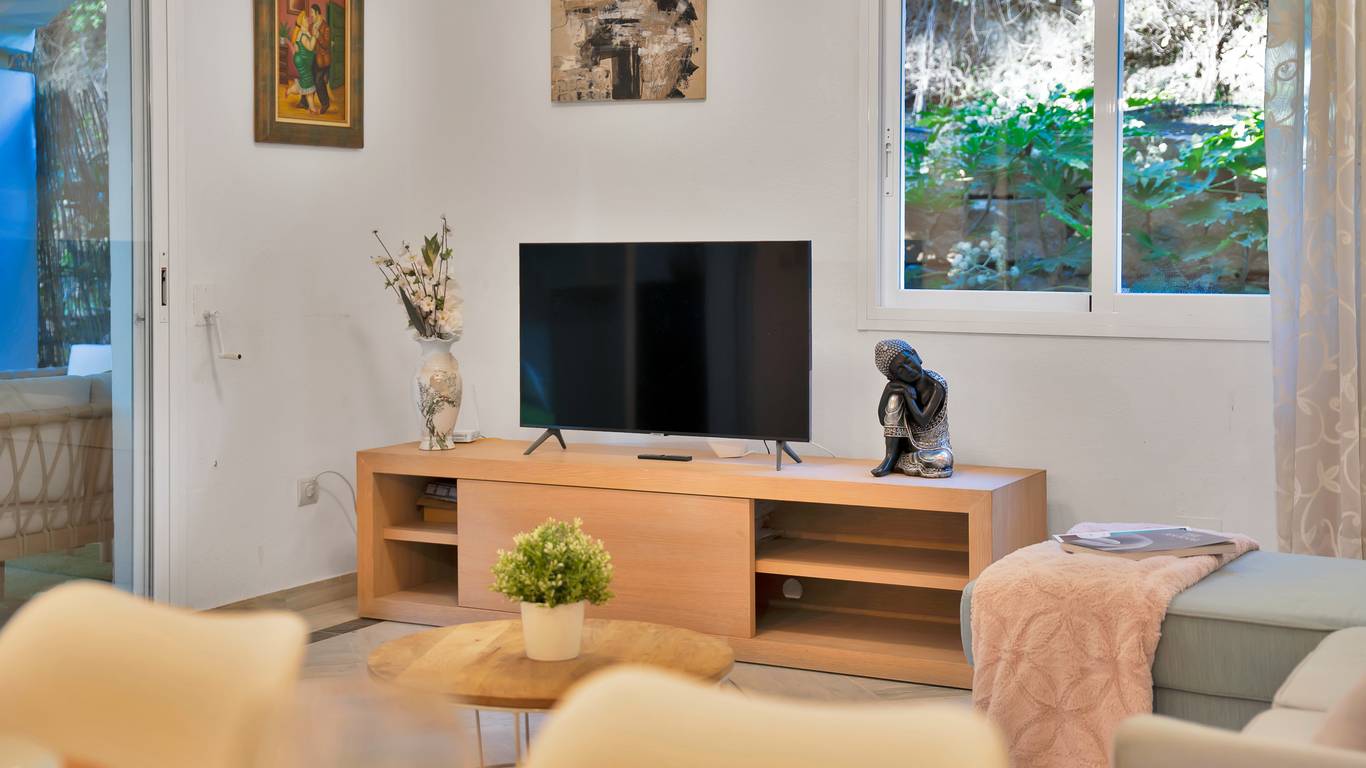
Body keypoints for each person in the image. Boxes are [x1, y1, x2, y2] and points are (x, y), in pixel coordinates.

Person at [870, 339, 954, 478]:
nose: (908, 370)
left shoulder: (936, 385)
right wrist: (888, 390)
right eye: (900, 370)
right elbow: (882, 420)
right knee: (895, 397)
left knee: (942, 459)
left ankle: (901, 460)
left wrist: (908, 396)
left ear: (916, 355)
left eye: (908, 362)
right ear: (893, 376)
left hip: (934, 448)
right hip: (907, 443)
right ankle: (890, 457)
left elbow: (923, 421)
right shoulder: (900, 387)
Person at [290, 11, 320, 114]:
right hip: (303, 62)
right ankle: (312, 107)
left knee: (306, 82)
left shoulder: (304, 32)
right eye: (305, 19)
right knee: (308, 82)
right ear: (301, 22)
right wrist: (315, 36)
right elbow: (310, 47)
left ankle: (310, 107)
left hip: (304, 60)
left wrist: (314, 35)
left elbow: (297, 47)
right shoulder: (302, 35)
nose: (308, 20)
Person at [311, 4, 332, 114]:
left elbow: (326, 45)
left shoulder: (326, 27)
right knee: (310, 79)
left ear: (317, 13)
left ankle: (325, 103)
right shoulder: (312, 25)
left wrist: (318, 35)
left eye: (312, 13)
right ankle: (305, 102)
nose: (311, 15)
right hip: (313, 57)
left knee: (318, 81)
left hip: (322, 59)